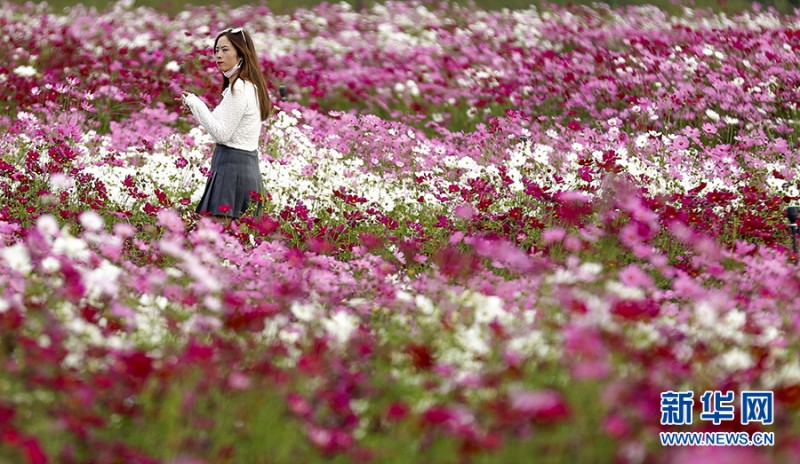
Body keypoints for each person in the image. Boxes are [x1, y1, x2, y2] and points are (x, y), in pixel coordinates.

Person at [178, 27, 271, 226]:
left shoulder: (239, 88)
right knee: (235, 245)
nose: (218, 55)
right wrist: (197, 111)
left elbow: (222, 134)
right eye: (216, 50)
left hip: (232, 168)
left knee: (215, 242)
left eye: (225, 50)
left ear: (241, 53)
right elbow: (224, 125)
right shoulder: (249, 87)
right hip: (242, 166)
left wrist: (195, 102)